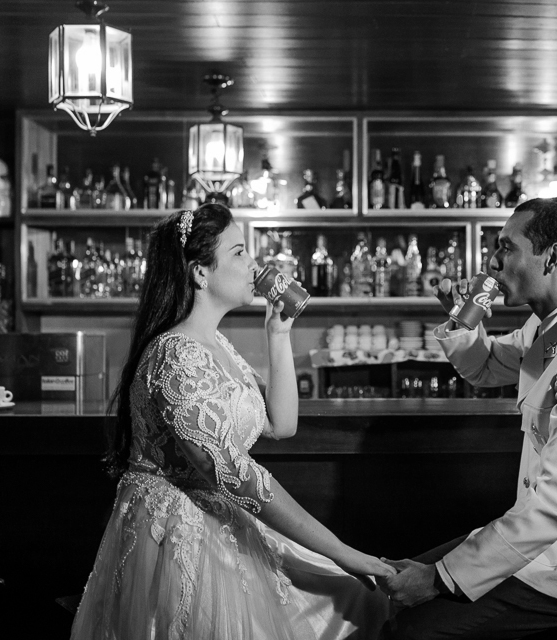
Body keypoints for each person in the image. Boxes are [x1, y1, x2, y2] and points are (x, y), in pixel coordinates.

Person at [71, 203, 394, 640]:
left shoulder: (216, 344)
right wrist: (341, 550)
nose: (255, 265)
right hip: (181, 535)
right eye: (240, 252)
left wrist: (278, 335)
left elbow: (282, 424)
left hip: (225, 521)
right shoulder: (175, 354)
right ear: (200, 272)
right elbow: (233, 473)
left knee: (356, 599)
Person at [380, 197, 557, 639]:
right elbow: (485, 368)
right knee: (391, 591)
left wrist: (438, 579)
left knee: (409, 630)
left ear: (552, 258)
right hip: (542, 542)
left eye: (505, 247)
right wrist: (462, 314)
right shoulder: (552, 326)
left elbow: (554, 506)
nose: (491, 260)